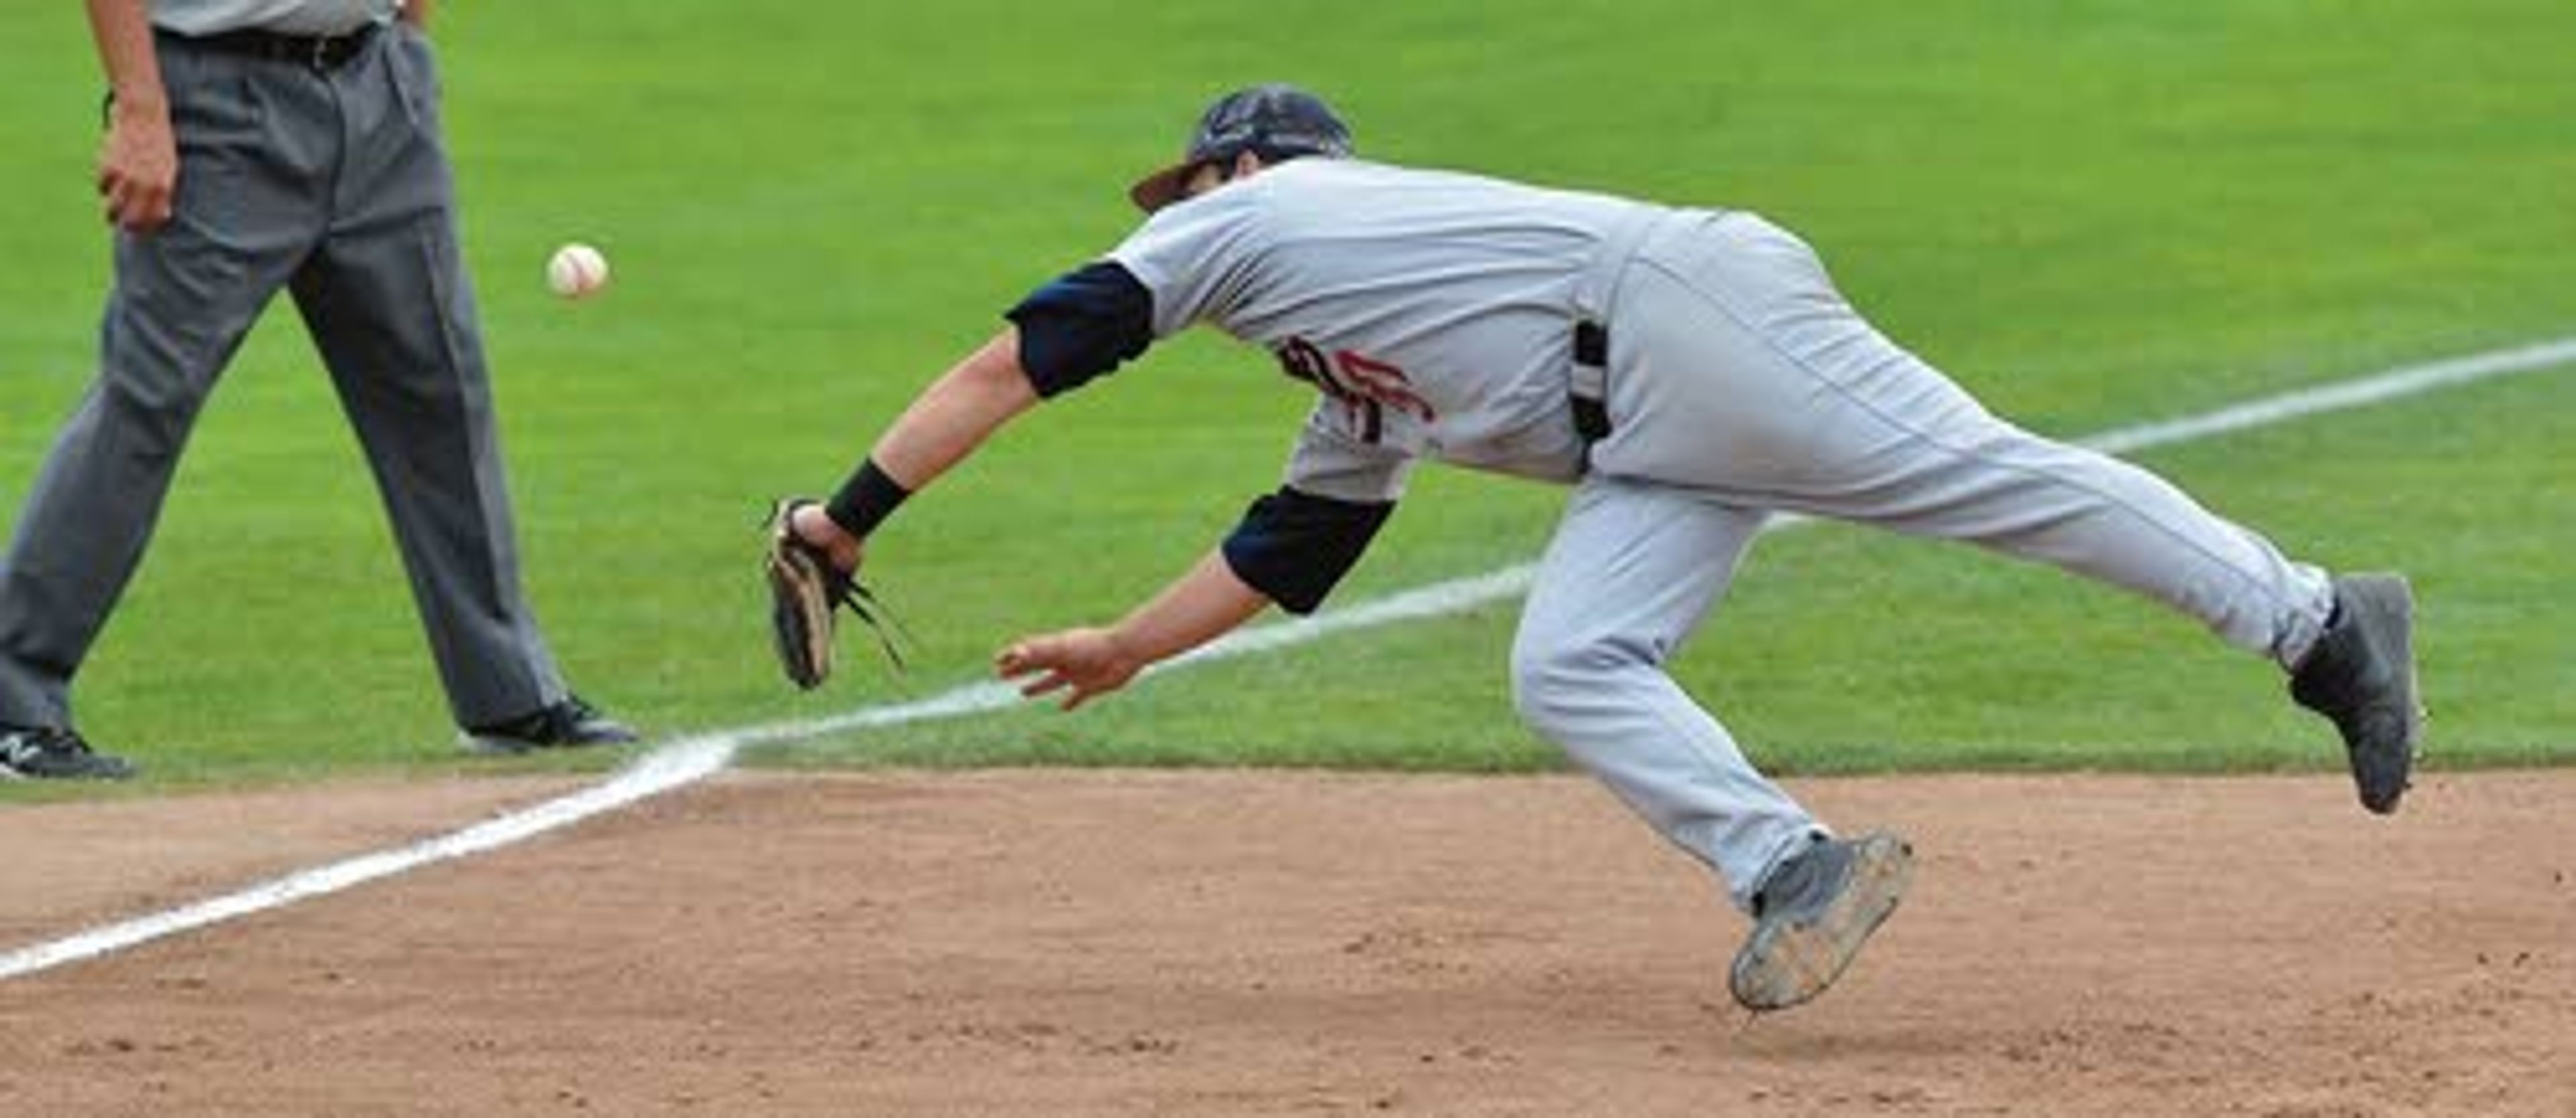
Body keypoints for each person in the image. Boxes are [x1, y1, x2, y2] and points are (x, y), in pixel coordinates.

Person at [774, 85, 2420, 1011]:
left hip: (1685, 325)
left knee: (1988, 484)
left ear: (1248, 169)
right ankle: (1789, 865)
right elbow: (1295, 546)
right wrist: (1131, 644)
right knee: (1566, 661)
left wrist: (845, 516)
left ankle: (2315, 620)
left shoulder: (1258, 221)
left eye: (1189, 178)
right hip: (1649, 430)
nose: (1172, 206)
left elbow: (1020, 357)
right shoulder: (1348, 362)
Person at [0, 0, 635, 780]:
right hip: (216, 107)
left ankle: (510, 691)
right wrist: (140, 106)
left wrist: (408, 46)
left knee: (439, 396)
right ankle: (14, 697)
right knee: (147, 400)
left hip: (380, 92)